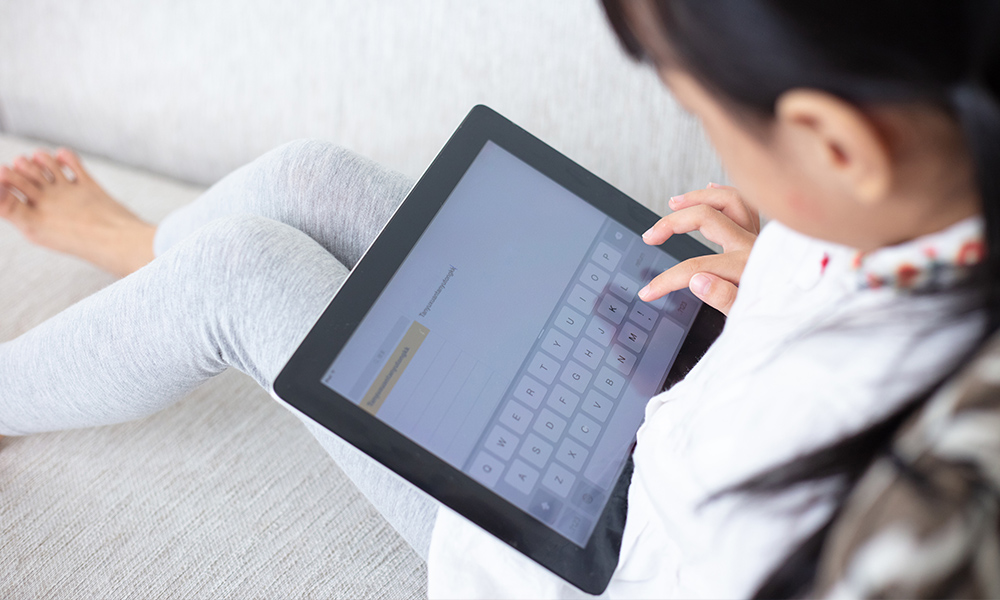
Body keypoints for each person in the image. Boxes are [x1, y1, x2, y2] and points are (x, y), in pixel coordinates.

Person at [0, 0, 997, 597]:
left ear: (834, 144)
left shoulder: (922, 523)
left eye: (701, 112)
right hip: (692, 368)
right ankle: (145, 258)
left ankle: (139, 312)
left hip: (574, 563)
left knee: (242, 274)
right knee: (308, 178)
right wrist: (797, 269)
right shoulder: (939, 214)